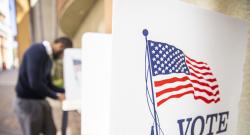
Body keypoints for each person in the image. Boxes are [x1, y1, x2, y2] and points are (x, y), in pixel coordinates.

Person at [14, 37, 73, 135]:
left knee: (51, 131)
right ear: (60, 46)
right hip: (28, 102)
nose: (61, 57)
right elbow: (35, 83)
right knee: (32, 132)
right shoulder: (37, 50)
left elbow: (48, 83)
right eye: (62, 54)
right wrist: (56, 96)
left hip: (41, 101)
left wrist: (65, 90)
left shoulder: (48, 58)